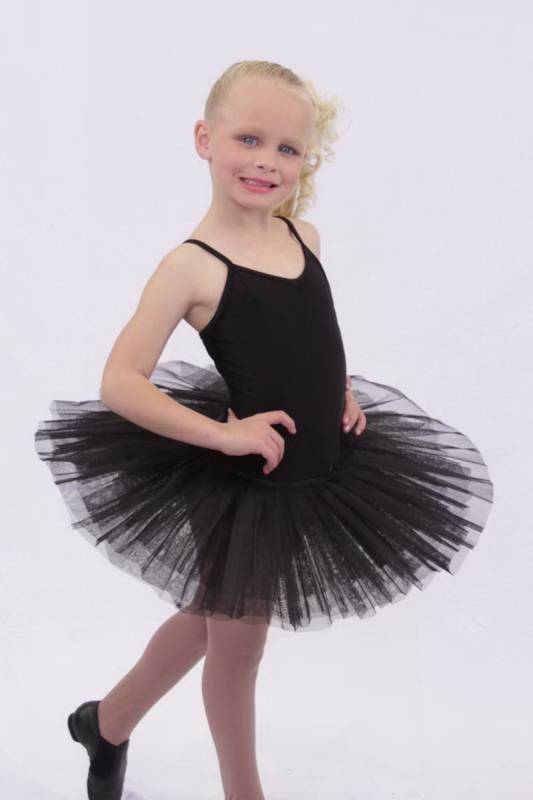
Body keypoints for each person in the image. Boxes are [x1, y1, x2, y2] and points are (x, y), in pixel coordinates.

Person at [34, 60, 494, 800]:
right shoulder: (190, 267)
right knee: (239, 650)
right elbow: (120, 380)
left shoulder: (302, 236)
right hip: (249, 483)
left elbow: (311, 335)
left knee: (207, 617)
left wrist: (339, 390)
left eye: (287, 148)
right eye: (248, 139)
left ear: (306, 158)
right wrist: (220, 435)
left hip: (323, 464)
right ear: (204, 139)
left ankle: (106, 722)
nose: (266, 161)